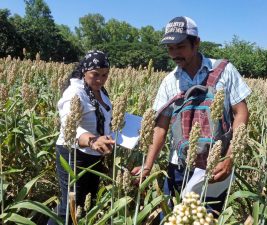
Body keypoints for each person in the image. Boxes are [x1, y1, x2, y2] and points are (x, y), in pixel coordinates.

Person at [131, 16, 251, 217]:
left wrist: (230, 157)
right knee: (172, 219)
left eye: (180, 46)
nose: (175, 53)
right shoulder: (169, 82)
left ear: (196, 43)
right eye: (170, 48)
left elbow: (241, 113)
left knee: (205, 219)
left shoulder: (224, 71)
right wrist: (148, 164)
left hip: (214, 167)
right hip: (178, 166)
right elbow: (160, 127)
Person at [48, 50, 115, 224]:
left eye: (105, 75)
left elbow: (106, 119)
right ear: (85, 71)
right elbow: (69, 127)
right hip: (73, 154)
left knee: (88, 203)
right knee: (70, 204)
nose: (100, 80)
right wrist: (93, 141)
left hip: (95, 155)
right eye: (95, 75)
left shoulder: (101, 92)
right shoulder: (74, 93)